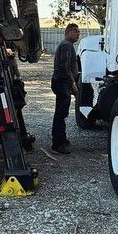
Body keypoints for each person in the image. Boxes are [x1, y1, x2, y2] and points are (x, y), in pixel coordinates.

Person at [50, 23, 80, 154]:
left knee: (61, 113)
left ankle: (61, 140)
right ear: (68, 33)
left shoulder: (67, 45)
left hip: (62, 83)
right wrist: (73, 83)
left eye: (79, 32)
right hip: (62, 84)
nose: (78, 34)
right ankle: (58, 144)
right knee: (61, 114)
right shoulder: (67, 45)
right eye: (75, 32)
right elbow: (65, 67)